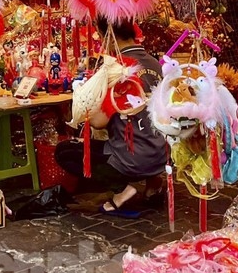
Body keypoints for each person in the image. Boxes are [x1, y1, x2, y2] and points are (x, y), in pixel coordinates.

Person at [54, 19, 168, 216]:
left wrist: (85, 99)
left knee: (65, 152)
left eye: (99, 33)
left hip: (132, 157)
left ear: (108, 34)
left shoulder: (117, 69)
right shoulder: (155, 64)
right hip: (160, 155)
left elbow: (99, 123)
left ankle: (125, 189)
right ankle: (153, 181)